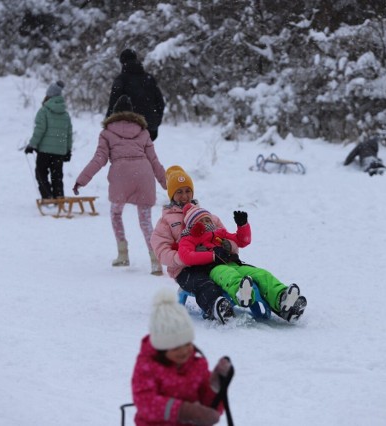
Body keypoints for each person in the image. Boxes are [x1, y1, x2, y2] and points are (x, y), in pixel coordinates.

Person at [73, 95, 166, 275]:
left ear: (114, 113)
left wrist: (81, 179)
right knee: (146, 221)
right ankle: (155, 261)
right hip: (144, 175)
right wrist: (167, 184)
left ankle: (123, 254)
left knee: (116, 213)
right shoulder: (143, 132)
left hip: (121, 176)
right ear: (132, 113)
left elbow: (99, 159)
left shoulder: (107, 133)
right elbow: (154, 161)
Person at [178, 203, 307, 323]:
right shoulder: (188, 237)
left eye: (207, 219)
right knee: (228, 274)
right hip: (212, 268)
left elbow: (242, 241)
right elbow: (186, 256)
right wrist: (212, 256)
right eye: (200, 221)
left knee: (260, 274)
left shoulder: (219, 233)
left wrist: (243, 226)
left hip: (234, 264)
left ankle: (282, 299)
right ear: (192, 225)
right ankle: (241, 293)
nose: (205, 223)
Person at [131, 288, 232, 426]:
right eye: (176, 347)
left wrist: (214, 387)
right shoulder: (147, 367)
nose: (184, 351)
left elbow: (208, 407)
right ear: (161, 348)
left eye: (187, 343)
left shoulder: (197, 365)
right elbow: (145, 402)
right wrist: (184, 411)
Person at [150, 166, 235, 324]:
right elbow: (161, 250)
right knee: (203, 283)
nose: (184, 196)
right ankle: (217, 306)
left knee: (235, 273)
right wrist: (184, 258)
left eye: (188, 191)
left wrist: (228, 246)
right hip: (185, 269)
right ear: (172, 195)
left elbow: (225, 235)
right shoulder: (166, 221)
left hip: (210, 261)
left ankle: (268, 297)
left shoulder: (205, 215)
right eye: (179, 192)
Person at [24, 81, 73, 200]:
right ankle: (59, 197)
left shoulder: (44, 111)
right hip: (59, 153)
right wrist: (68, 150)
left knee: (41, 174)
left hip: (45, 151)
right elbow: (69, 134)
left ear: (48, 96)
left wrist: (32, 145)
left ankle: (47, 196)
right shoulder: (65, 114)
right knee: (57, 176)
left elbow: (39, 130)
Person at [106, 48, 165, 141]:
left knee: (128, 154)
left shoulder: (121, 80)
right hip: (149, 127)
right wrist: (155, 121)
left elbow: (113, 103)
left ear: (122, 62)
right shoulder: (149, 78)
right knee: (145, 153)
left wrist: (108, 123)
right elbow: (160, 102)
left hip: (127, 127)